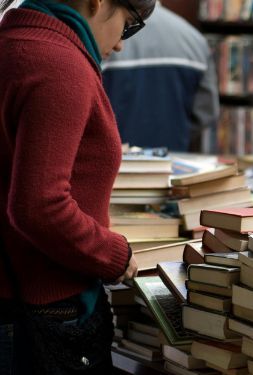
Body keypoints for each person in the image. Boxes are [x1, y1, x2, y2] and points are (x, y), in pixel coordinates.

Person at [0, 0, 154, 373]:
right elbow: (39, 206)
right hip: (42, 308)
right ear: (97, 2)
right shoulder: (59, 64)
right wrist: (114, 255)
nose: (120, 44)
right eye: (129, 24)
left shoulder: (13, 44)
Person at [102, 1, 219, 152]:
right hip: (172, 162)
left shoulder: (105, 38)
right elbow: (206, 112)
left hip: (117, 163)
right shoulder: (195, 40)